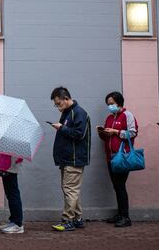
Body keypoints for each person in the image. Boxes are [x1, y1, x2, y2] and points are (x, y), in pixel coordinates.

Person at [49, 86, 90, 232]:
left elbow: (79, 134)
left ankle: (67, 221)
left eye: (59, 103)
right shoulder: (68, 113)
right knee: (71, 190)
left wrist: (62, 128)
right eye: (56, 104)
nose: (57, 106)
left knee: (70, 190)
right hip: (67, 159)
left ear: (66, 99)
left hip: (74, 159)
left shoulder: (79, 113)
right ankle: (77, 219)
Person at [97, 91, 137, 228]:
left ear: (119, 103)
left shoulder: (127, 115)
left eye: (112, 103)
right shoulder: (109, 118)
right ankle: (120, 214)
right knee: (116, 186)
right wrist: (102, 133)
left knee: (120, 186)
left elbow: (133, 133)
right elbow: (107, 138)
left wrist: (115, 132)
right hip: (111, 157)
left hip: (122, 157)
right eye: (108, 104)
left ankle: (125, 217)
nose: (110, 106)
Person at [0, 153, 24, 234]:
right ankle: (13, 221)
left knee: (13, 193)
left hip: (11, 164)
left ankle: (17, 224)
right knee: (10, 193)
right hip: (9, 164)